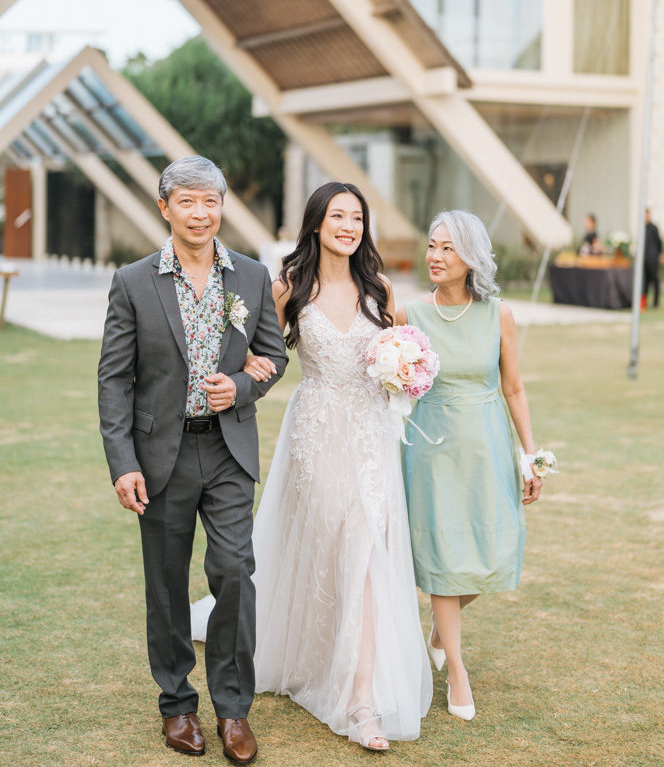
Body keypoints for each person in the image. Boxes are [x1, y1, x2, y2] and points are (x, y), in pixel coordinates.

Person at [195, 182, 432, 750]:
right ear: (318, 223)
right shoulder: (288, 287)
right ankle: (319, 656)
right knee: (331, 545)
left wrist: (405, 371)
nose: (348, 226)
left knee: (367, 550)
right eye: (338, 216)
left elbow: (400, 352)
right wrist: (241, 375)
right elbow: (256, 352)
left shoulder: (379, 288)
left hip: (372, 436)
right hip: (317, 430)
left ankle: (361, 699)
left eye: (357, 218)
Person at [98, 156, 287, 764]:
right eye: (187, 201)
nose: (200, 213)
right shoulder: (132, 282)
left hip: (229, 450)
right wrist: (123, 462)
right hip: (160, 455)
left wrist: (244, 386)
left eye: (210, 201)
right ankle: (176, 704)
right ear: (165, 208)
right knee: (166, 582)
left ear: (222, 205)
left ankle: (233, 709)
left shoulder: (252, 276)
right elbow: (114, 380)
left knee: (234, 571)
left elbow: (274, 355)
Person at [397, 210, 542, 721]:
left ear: (471, 258)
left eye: (448, 249)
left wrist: (529, 456)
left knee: (491, 552)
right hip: (431, 450)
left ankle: (441, 632)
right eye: (432, 246)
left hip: (487, 446)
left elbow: (514, 387)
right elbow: (392, 386)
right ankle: (457, 672)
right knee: (443, 556)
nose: (435, 257)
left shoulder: (498, 314)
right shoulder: (408, 315)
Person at [643, 208, 664, 309]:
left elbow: (659, 242)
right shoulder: (642, 228)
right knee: (645, 281)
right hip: (644, 258)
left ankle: (656, 303)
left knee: (655, 280)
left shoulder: (653, 228)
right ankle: (644, 302)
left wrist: (660, 254)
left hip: (653, 258)